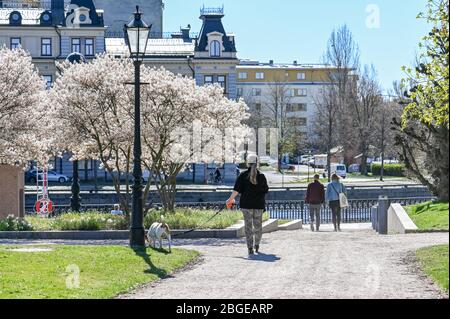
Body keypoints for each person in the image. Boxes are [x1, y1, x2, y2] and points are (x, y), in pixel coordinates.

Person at [227, 155, 269, 255]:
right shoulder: (261, 176)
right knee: (258, 226)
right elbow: (266, 190)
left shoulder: (242, 175)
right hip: (258, 205)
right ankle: (257, 244)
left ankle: (250, 247)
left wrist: (229, 200)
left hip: (246, 205)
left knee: (248, 227)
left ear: (247, 163)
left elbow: (236, 190)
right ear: (257, 163)